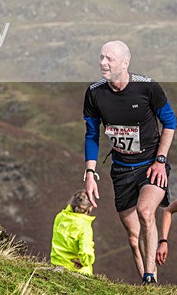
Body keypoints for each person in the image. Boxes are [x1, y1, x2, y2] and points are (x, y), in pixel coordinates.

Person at [83, 40, 175, 285]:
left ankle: (149, 279)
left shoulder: (147, 88)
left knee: (146, 212)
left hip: (151, 166)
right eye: (101, 57)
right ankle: (149, 285)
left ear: (125, 63)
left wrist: (160, 160)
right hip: (122, 169)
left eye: (109, 59)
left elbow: (171, 123)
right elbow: (91, 134)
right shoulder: (94, 93)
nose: (103, 63)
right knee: (134, 238)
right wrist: (90, 173)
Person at [51, 190, 96, 275]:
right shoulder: (84, 226)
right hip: (76, 269)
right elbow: (85, 252)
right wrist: (85, 261)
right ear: (90, 207)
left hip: (57, 264)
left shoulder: (60, 217)